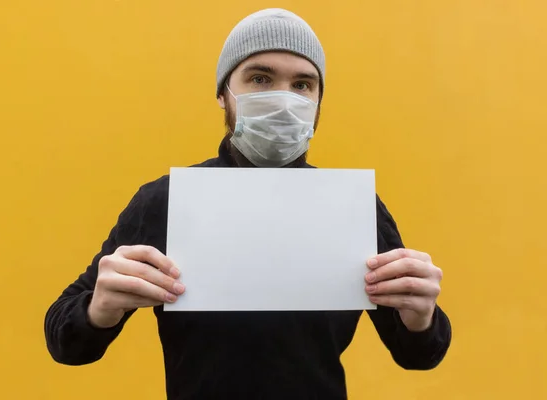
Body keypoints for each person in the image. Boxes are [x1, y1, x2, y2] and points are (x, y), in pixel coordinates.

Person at [44, 8, 451, 399]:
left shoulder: (352, 208)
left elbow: (418, 354)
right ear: (223, 92)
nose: (283, 99)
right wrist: (99, 309)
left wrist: (422, 318)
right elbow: (66, 342)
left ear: (318, 101)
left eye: (302, 85)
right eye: (260, 78)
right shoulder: (167, 201)